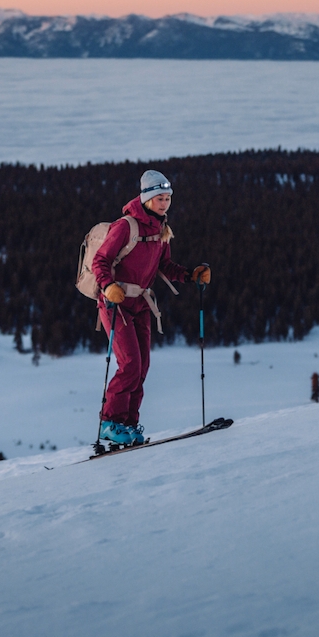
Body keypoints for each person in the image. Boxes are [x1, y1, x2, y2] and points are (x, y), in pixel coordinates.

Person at [93, 170, 211, 445]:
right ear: (146, 198)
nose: (164, 203)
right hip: (116, 303)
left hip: (142, 304)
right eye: (160, 198)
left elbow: (164, 266)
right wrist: (109, 286)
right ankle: (110, 423)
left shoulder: (161, 230)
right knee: (130, 364)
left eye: (168, 198)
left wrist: (190, 275)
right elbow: (100, 261)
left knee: (142, 366)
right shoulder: (125, 226)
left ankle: (129, 424)